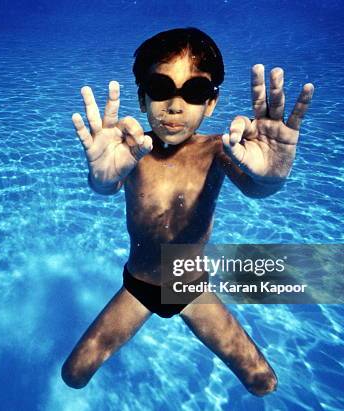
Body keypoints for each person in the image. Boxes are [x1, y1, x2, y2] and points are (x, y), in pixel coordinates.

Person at [61, 27, 314, 396]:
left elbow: (255, 189)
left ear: (210, 104)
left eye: (194, 92)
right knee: (74, 375)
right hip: (139, 287)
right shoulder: (131, 151)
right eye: (162, 89)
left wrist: (273, 179)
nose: (175, 106)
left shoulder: (219, 151)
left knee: (263, 383)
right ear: (143, 97)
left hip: (190, 286)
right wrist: (98, 177)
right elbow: (105, 186)